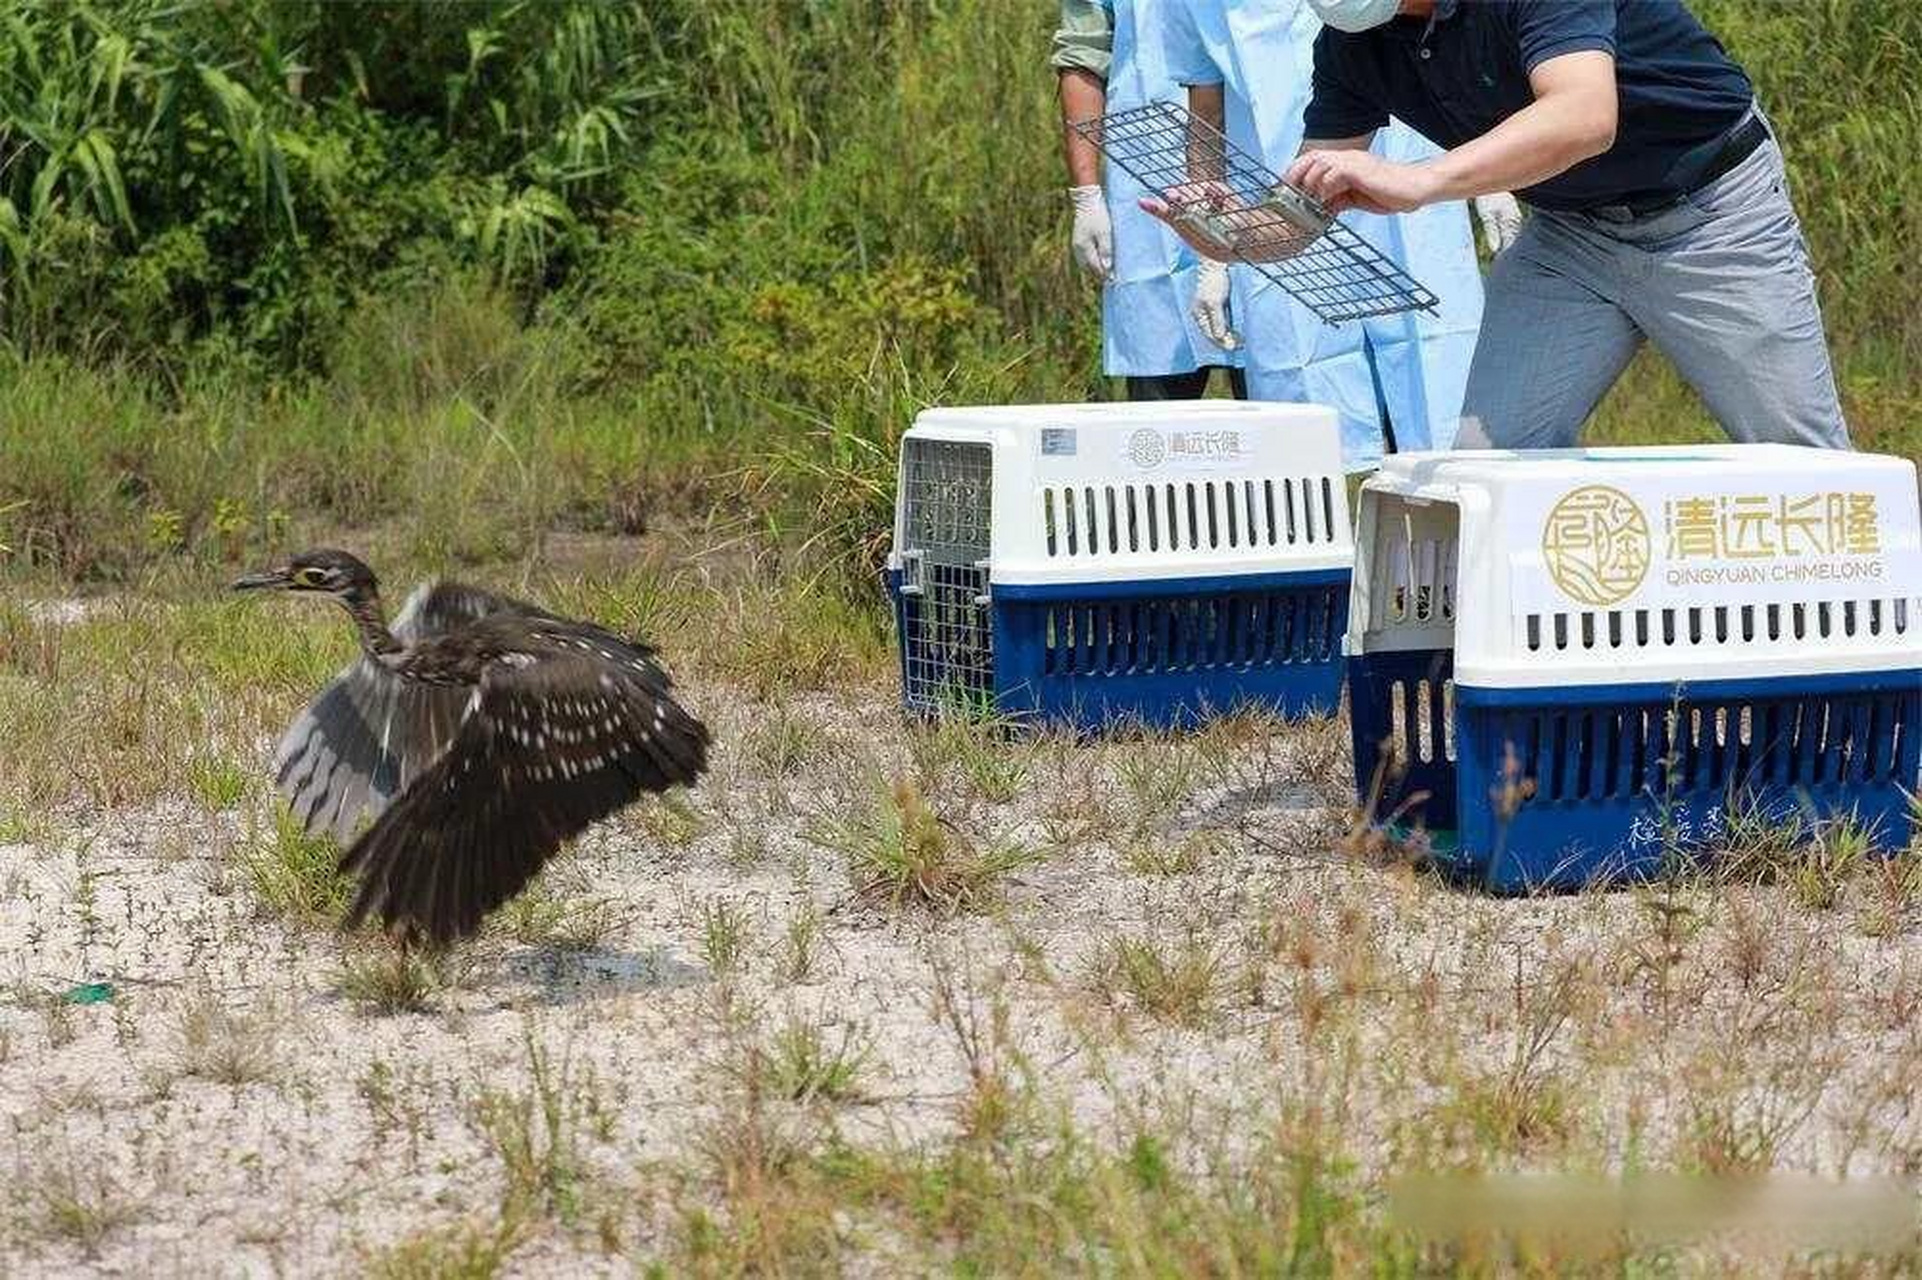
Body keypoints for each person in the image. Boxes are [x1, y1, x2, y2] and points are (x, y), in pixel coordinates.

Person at [1149, 0, 1850, 452]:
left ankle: (1862, 663)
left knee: (1800, 456)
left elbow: (1584, 116)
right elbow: (1306, 204)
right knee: (1492, 462)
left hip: (1710, 214)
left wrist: (1425, 180)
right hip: (1571, 237)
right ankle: (1557, 667)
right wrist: (1229, 236)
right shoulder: (1350, 44)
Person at [1163, 0, 1516, 467]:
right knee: (1306, 426)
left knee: (1441, 394)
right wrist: (1213, 255)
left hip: (1411, 191)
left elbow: (1459, 37)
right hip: (1285, 204)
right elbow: (1205, 109)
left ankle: (1443, 531)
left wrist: (1491, 178)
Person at [1054, 0, 1247, 401]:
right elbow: (1083, 53)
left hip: (1260, 167)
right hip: (1151, 182)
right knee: (1157, 412)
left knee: (1286, 402)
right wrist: (1086, 195)